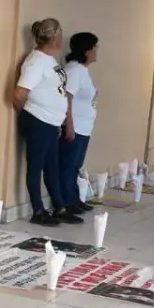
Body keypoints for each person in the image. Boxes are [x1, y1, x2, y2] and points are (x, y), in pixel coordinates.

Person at [12, 18, 75, 226]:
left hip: (51, 122)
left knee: (51, 167)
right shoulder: (35, 61)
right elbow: (20, 93)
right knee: (36, 166)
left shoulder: (49, 59)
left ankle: (59, 207)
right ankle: (37, 211)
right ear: (54, 36)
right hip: (38, 121)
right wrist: (29, 113)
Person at [58, 32, 100, 216]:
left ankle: (74, 198)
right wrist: (69, 125)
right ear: (87, 50)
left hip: (84, 127)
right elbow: (67, 97)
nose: (97, 51)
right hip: (74, 126)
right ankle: (66, 202)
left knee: (75, 165)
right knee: (68, 165)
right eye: (95, 47)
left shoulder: (82, 70)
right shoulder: (74, 70)